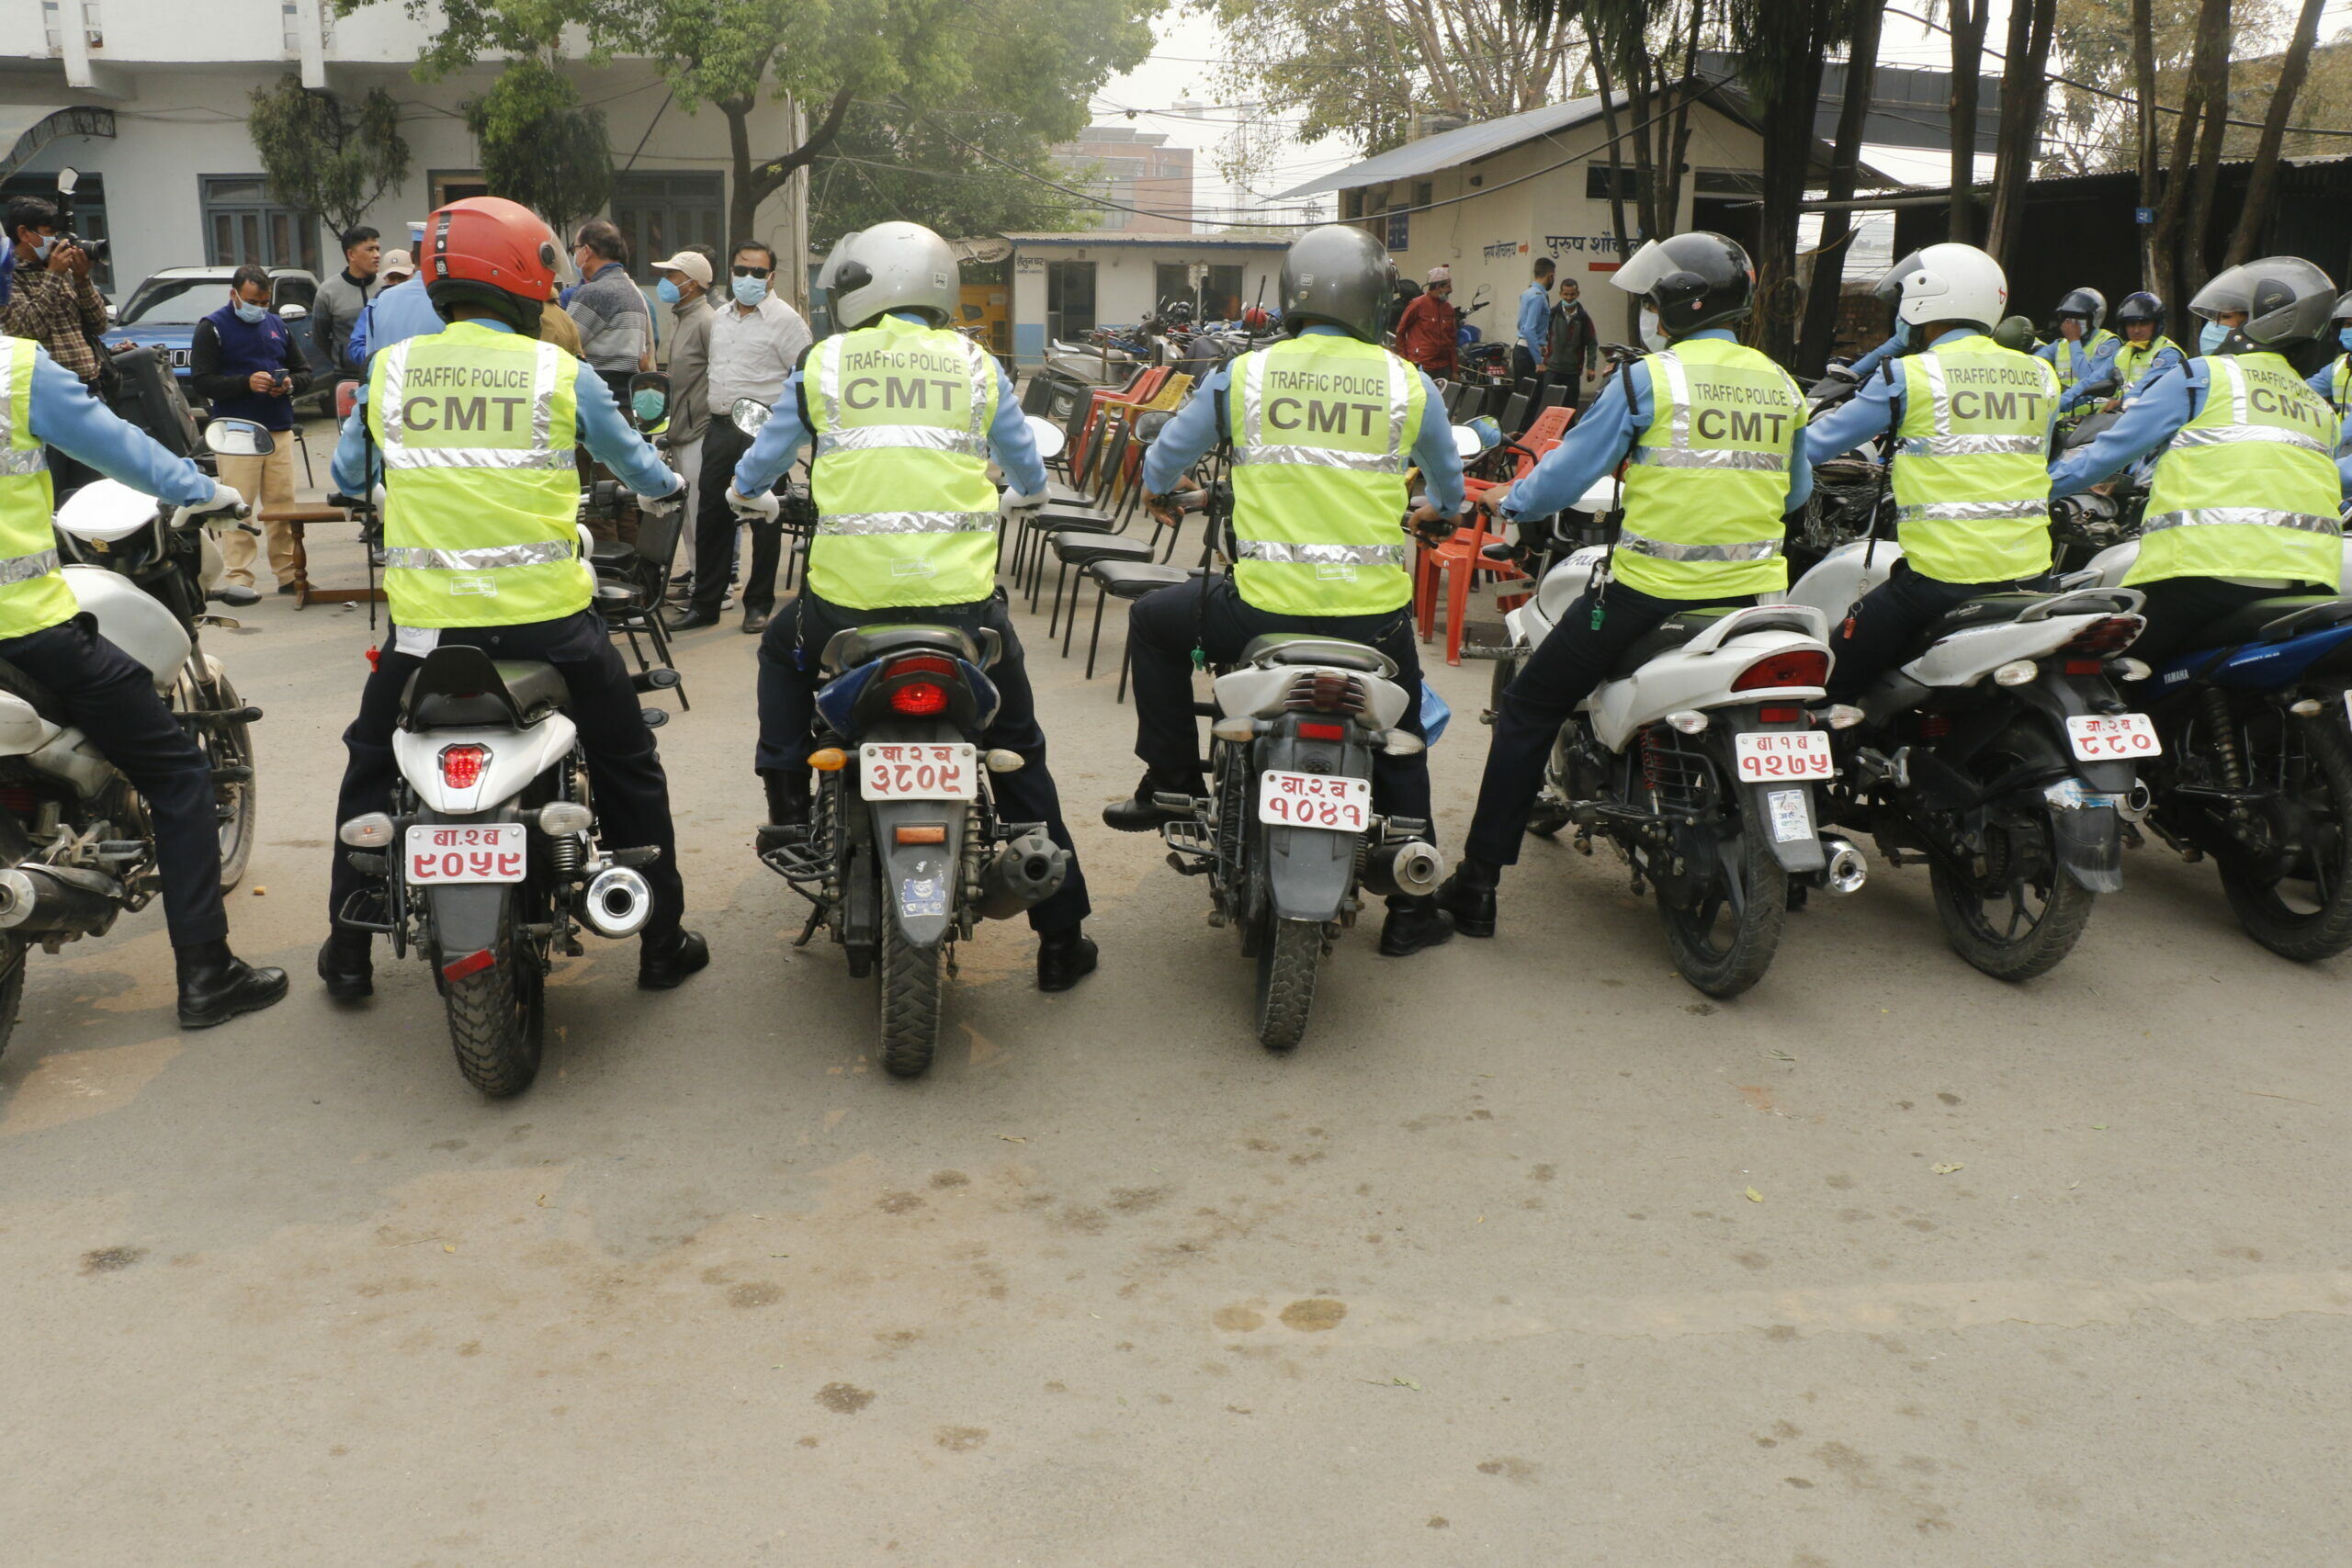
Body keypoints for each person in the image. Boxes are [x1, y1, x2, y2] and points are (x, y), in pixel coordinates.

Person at [316, 197, 704, 1000]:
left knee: (369, 762)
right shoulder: (559, 373)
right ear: (527, 278)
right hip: (549, 625)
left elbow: (349, 477)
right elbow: (635, 464)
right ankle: (661, 941)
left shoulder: (391, 370)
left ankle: (349, 954)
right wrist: (666, 485)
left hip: (427, 633)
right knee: (628, 761)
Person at [724, 220, 1098, 992]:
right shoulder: (977, 364)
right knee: (1018, 744)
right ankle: (1061, 937)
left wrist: (745, 494)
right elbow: (1026, 469)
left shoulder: (825, 363)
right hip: (962, 613)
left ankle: (788, 805)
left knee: (779, 652)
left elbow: (764, 461)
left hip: (844, 611)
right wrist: (1025, 495)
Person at [1429, 231, 1811, 938]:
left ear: (1677, 308)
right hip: (1756, 598)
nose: (1651, 315)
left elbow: (1570, 471)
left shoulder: (1648, 381)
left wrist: (1511, 500)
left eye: (1654, 303)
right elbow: (1796, 494)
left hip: (1649, 593)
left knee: (1528, 705)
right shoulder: (1782, 386)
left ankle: (1477, 883)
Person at [1104, 224, 1467, 957]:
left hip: (1258, 615)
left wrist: (1160, 489)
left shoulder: (1245, 375)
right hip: (1372, 623)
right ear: (1375, 301)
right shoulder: (1408, 382)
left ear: (1296, 296)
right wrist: (1440, 509)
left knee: (1153, 621)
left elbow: (1167, 454)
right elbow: (1449, 486)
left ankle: (1173, 781)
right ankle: (1412, 903)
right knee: (1400, 735)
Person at [0, 235, 287, 1026]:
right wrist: (204, 490)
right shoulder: (16, 371)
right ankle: (207, 976)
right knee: (179, 775)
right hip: (24, 632)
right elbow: (118, 444)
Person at [2049, 256, 2346, 669]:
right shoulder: (2318, 408)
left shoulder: (2201, 376)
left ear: (2264, 322)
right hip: (2308, 579)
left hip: (2208, 571)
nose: (2215, 326)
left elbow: (2103, 456)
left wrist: (2030, 490)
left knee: (2089, 667)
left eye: (2226, 316)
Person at [1803, 243, 2063, 703]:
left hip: (1942, 581)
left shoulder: (1910, 376)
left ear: (1927, 299)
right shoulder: (2040, 375)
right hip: (2031, 576)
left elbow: (1816, 445)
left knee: (1835, 673)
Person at [668, 240, 812, 635]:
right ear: (731, 273)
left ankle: (758, 604)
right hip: (719, 427)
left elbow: (805, 378)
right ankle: (706, 603)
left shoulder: (786, 321)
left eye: (757, 272)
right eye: (741, 270)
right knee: (712, 514)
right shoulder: (721, 317)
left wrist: (786, 433)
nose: (748, 278)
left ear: (771, 277)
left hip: (763, 431)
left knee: (763, 517)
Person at [188, 265, 311, 605]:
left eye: (265, 302)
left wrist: (289, 384)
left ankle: (288, 573)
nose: (259, 308)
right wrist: (245, 384)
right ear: (234, 295)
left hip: (278, 427)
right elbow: (202, 381)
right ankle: (239, 578)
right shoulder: (213, 327)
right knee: (237, 507)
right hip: (236, 432)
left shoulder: (277, 326)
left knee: (283, 505)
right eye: (252, 301)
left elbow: (305, 371)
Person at [0, 196, 106, 387]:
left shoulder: (62, 270)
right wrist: (54, 275)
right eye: (49, 232)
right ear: (24, 233)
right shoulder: (8, 275)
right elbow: (30, 330)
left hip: (89, 383)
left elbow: (99, 325)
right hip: (47, 389)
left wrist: (82, 279)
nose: (56, 240)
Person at [652, 249, 714, 544]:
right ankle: (695, 569)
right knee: (687, 517)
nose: (665, 281)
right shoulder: (681, 318)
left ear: (693, 283)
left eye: (672, 275)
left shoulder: (706, 321)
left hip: (698, 431)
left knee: (700, 515)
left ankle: (709, 572)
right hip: (680, 430)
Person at [566, 219, 651, 404]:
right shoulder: (634, 292)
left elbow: (564, 345)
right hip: (626, 398)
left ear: (586, 251)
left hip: (595, 397)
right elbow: (642, 360)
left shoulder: (594, 292)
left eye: (575, 249)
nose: (575, 255)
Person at [2068, 290, 2183, 414]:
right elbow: (2092, 381)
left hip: (2157, 418)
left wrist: (2123, 402)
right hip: (2125, 416)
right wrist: (2059, 403)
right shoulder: (2122, 352)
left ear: (2157, 325)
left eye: (2144, 323)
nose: (2136, 330)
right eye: (2131, 324)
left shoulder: (2168, 353)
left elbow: (2149, 385)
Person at [311, 224, 380, 382]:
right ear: (351, 254)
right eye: (370, 249)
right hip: (347, 377)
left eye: (377, 249)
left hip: (383, 372)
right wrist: (342, 359)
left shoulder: (386, 287)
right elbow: (320, 337)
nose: (377, 255)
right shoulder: (328, 291)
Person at [2037, 287, 2118, 395]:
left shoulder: (2108, 342)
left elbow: (2091, 382)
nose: (2071, 323)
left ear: (2095, 318)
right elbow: (2035, 363)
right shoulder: (2060, 345)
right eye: (2066, 316)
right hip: (2063, 404)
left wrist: (2074, 341)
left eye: (2079, 317)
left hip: (2093, 405)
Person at [1394, 265, 1460, 381]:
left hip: (1443, 368)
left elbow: (1452, 340)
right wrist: (1405, 359)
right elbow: (1400, 331)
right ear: (1438, 287)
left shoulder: (1448, 309)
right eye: (1448, 287)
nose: (1451, 290)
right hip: (1422, 365)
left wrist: (1454, 370)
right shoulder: (1418, 304)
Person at [1546, 274, 1600, 412]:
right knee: (1550, 410)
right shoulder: (1552, 314)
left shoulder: (1583, 318)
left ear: (1577, 294)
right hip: (1552, 370)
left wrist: (1591, 367)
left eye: (1572, 294)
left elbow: (1592, 343)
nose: (1569, 298)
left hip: (1572, 372)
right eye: (1566, 294)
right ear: (1560, 294)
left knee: (1569, 410)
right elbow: (1542, 337)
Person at [1514, 255, 1555, 393]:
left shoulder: (1528, 293)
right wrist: (1538, 361)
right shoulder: (1538, 297)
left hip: (1523, 348)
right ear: (1550, 276)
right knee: (1532, 398)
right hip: (1529, 354)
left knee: (1522, 397)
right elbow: (1529, 329)